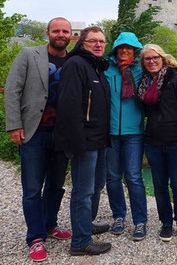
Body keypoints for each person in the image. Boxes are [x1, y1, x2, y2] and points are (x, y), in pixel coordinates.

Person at [4, 17, 73, 262]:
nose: (61, 34)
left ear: (71, 35)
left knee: (56, 186)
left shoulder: (74, 61)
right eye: (57, 30)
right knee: (32, 189)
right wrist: (14, 125)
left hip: (62, 135)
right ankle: (35, 237)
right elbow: (12, 90)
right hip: (34, 132)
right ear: (48, 33)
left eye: (65, 31)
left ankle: (50, 224)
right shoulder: (28, 54)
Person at [54, 26, 112, 256]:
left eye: (102, 41)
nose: (98, 45)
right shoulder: (76, 65)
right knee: (83, 191)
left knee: (97, 186)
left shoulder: (96, 67)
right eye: (93, 41)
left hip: (99, 140)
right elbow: (68, 107)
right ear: (82, 43)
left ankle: (85, 225)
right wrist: (76, 143)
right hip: (84, 142)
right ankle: (80, 242)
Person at [138, 44, 177, 242]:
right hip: (154, 143)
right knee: (159, 186)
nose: (152, 61)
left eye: (155, 57)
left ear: (162, 58)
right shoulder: (145, 84)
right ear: (143, 63)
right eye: (147, 59)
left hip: (176, 143)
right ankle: (166, 223)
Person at [104, 32, 147, 240]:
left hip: (134, 132)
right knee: (112, 177)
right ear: (115, 49)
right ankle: (119, 216)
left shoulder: (141, 69)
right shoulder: (106, 68)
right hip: (110, 132)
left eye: (128, 47)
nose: (124, 50)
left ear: (135, 50)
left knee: (134, 177)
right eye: (121, 47)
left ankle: (140, 221)